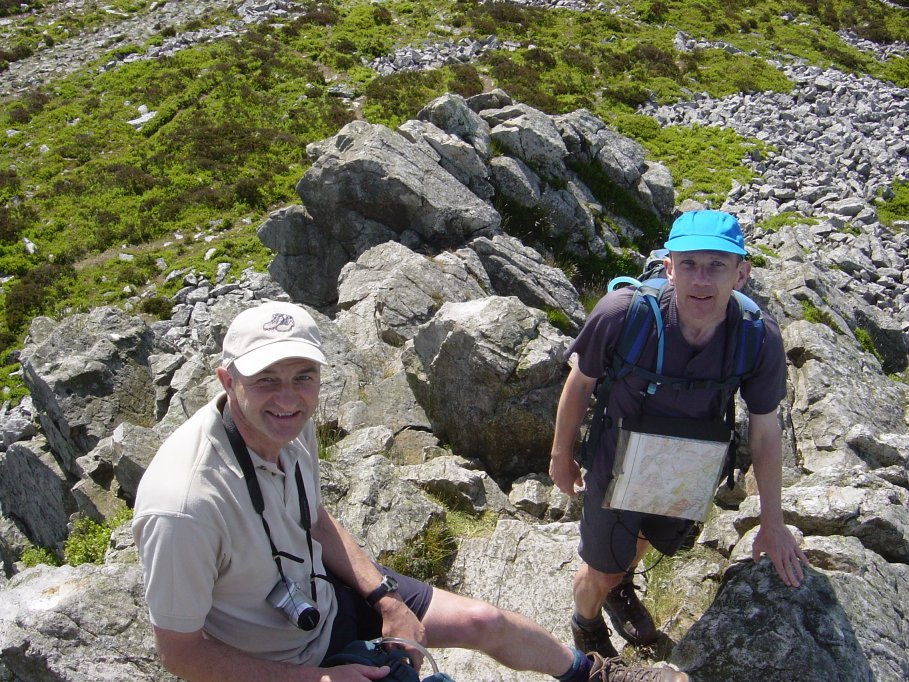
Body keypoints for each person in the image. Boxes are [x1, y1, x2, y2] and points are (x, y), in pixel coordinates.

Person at [133, 300, 686, 682]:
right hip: (276, 662)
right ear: (225, 380)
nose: (289, 397)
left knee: (482, 622)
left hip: (324, 598)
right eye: (266, 380)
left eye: (304, 376)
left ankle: (589, 673)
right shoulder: (185, 505)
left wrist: (386, 600)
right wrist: (320, 676)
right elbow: (181, 654)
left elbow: (315, 521)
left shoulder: (284, 426)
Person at [549, 210, 810, 658]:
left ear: (741, 274)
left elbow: (766, 433)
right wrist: (560, 455)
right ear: (668, 268)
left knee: (643, 540)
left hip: (688, 469)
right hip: (617, 465)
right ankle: (586, 623)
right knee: (600, 569)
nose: (701, 280)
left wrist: (773, 520)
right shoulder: (621, 316)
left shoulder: (757, 337)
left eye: (717, 265)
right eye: (688, 263)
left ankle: (619, 584)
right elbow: (580, 382)